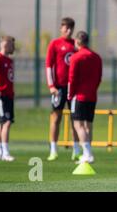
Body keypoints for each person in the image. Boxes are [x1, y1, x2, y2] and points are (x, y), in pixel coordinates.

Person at [46, 17, 80, 161]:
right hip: (58, 88)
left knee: (75, 119)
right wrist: (51, 86)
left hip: (73, 88)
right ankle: (53, 149)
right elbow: (49, 66)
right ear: (61, 28)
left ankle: (76, 150)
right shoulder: (55, 44)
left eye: (71, 28)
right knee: (56, 117)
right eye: (66, 27)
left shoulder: (76, 44)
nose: (69, 30)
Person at [68, 31, 102, 164]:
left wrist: (70, 95)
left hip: (79, 96)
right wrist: (93, 89)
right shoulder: (97, 57)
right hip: (92, 96)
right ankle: (88, 152)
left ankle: (87, 154)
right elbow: (99, 77)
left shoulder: (76, 57)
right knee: (88, 125)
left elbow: (72, 79)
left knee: (78, 124)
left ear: (77, 42)